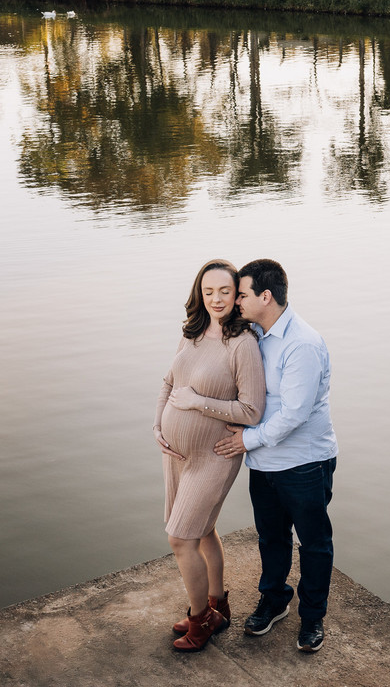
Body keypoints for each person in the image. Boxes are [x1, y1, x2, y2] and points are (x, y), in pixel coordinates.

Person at [213, 259, 338, 654]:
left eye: (243, 295)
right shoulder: (254, 333)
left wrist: (247, 440)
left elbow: (295, 414)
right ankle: (275, 599)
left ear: (266, 297)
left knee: (314, 543)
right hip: (265, 463)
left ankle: (313, 616)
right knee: (270, 537)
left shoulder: (302, 342)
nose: (237, 303)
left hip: (303, 463)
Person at [154, 259, 266, 653]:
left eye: (224, 291)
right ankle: (217, 606)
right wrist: (158, 427)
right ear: (199, 295)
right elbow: (169, 383)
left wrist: (198, 402)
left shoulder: (243, 344)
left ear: (237, 295)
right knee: (202, 531)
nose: (216, 299)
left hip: (214, 455)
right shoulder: (193, 332)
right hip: (177, 454)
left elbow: (252, 411)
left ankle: (200, 622)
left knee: (180, 537)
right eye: (208, 292)